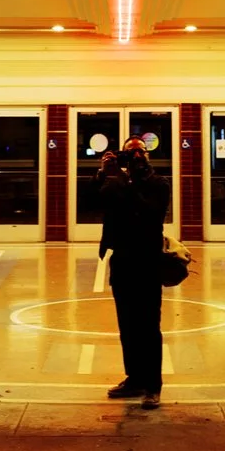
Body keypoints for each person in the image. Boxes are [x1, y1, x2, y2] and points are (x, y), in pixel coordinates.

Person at [95, 132, 172, 405]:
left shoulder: (158, 184)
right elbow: (99, 203)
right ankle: (135, 378)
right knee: (127, 326)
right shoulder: (117, 182)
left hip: (148, 261)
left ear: (147, 156)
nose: (137, 156)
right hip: (123, 262)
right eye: (131, 152)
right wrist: (103, 175)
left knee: (149, 326)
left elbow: (149, 212)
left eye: (141, 151)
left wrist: (123, 181)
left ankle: (153, 385)